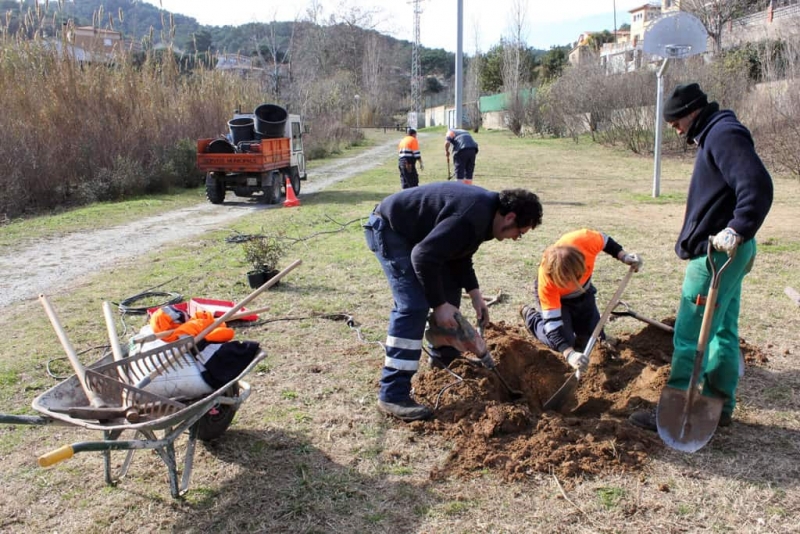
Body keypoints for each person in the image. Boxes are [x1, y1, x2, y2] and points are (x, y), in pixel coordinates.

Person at [629, 82, 773, 431]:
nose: (675, 130)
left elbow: (758, 185)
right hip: (732, 254)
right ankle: (719, 406)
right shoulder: (715, 133)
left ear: (692, 112)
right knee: (723, 328)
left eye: (676, 122)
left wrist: (738, 227)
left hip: (716, 256)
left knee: (689, 334)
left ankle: (678, 407)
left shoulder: (723, 134)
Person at [364, 182, 544, 421]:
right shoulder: (472, 216)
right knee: (413, 306)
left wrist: (475, 294)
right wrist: (438, 305)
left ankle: (444, 356)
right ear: (510, 217)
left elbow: (459, 254)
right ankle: (392, 394)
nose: (515, 238)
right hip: (390, 230)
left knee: (450, 290)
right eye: (518, 233)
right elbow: (422, 256)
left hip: (418, 236)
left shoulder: (488, 216)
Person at [520, 229, 642, 371]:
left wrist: (624, 256)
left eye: (578, 276)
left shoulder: (585, 240)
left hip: (584, 292)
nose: (574, 283)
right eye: (570, 281)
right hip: (558, 300)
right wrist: (569, 354)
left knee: (594, 339)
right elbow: (553, 327)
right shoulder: (547, 284)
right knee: (563, 341)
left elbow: (606, 241)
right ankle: (532, 318)